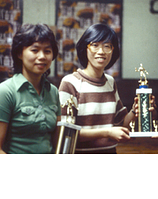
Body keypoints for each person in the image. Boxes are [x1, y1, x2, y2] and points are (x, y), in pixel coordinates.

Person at [58, 23, 141, 154]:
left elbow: (121, 124)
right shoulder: (70, 83)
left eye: (107, 46)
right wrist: (107, 132)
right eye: (95, 45)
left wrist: (136, 111)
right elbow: (66, 132)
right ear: (85, 48)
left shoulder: (110, 82)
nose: (101, 52)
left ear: (113, 51)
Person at [0, 24, 61, 154]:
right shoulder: (5, 91)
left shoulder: (53, 91)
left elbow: (57, 142)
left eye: (47, 51)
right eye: (35, 50)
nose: (42, 56)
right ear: (20, 53)